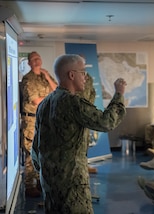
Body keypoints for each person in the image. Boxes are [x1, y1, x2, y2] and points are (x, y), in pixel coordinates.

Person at [31, 54, 126, 213]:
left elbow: (36, 146)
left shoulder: (46, 102)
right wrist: (119, 94)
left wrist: (45, 172)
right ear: (71, 75)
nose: (86, 77)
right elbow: (106, 121)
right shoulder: (72, 102)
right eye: (83, 72)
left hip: (49, 180)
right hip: (71, 183)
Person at [20, 51, 57, 197]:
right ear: (29, 63)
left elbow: (58, 89)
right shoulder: (28, 79)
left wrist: (48, 76)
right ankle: (29, 186)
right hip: (31, 120)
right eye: (33, 59)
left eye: (38, 58)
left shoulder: (44, 76)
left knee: (44, 152)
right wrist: (52, 96)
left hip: (45, 120)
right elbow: (36, 100)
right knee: (31, 153)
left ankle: (41, 182)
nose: (36, 61)